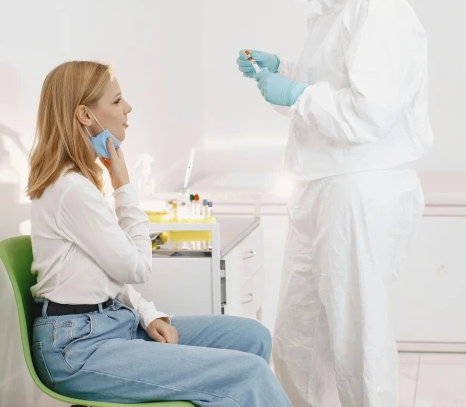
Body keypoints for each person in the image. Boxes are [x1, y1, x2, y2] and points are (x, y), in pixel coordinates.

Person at [236, 0, 433, 407]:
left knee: (356, 339)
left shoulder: (377, 5)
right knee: (301, 331)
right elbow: (322, 102)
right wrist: (286, 74)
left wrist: (298, 92)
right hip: (322, 187)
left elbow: (369, 113)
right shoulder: (330, 10)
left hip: (361, 190)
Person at [26, 60, 291, 406]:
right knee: (249, 374)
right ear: (85, 116)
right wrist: (124, 185)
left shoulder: (79, 184)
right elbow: (137, 267)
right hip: (77, 348)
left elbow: (108, 275)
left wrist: (148, 313)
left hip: (109, 323)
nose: (128, 109)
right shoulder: (71, 190)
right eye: (117, 100)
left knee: (251, 336)